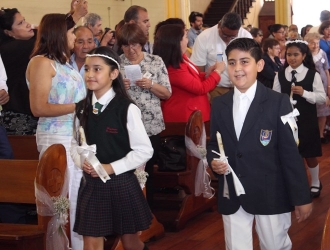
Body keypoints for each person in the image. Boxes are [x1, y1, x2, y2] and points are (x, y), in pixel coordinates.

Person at [207, 38, 312, 250]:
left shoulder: (278, 102)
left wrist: (302, 197)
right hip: (232, 191)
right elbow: (214, 144)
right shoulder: (220, 104)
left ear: (260, 65)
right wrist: (214, 161)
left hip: (270, 191)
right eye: (232, 62)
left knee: (274, 245)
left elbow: (290, 153)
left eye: (245, 62)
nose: (238, 69)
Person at [71, 46, 153, 250]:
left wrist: (110, 168)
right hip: (92, 185)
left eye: (97, 69)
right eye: (87, 69)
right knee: (91, 242)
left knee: (130, 242)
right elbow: (74, 144)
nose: (90, 74)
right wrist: (83, 162)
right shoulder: (81, 107)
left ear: (114, 73)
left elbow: (144, 150)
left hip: (121, 183)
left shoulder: (127, 108)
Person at [25, 13, 87, 249]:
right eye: (72, 33)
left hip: (74, 135)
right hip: (56, 136)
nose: (75, 37)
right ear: (60, 34)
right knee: (65, 200)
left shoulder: (64, 63)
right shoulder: (41, 62)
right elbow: (38, 107)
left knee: (77, 198)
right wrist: (80, 107)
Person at [0, 5, 87, 135]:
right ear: (8, 32)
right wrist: (74, 16)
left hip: (62, 126)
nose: (28, 25)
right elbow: (49, 35)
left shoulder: (54, 59)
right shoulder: (11, 49)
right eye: (20, 23)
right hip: (21, 116)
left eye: (24, 20)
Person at [117, 23, 171, 207]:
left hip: (150, 125)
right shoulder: (116, 64)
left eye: (135, 45)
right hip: (124, 127)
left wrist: (151, 85)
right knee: (126, 171)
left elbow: (167, 93)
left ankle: (148, 213)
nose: (131, 49)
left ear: (142, 43)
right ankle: (129, 211)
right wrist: (118, 89)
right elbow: (104, 96)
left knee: (147, 171)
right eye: (126, 45)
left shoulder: (155, 61)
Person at [273, 40, 326, 198]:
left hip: (306, 119)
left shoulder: (312, 74)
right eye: (289, 54)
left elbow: (322, 98)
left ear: (303, 56)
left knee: (309, 152)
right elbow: (274, 97)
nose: (292, 58)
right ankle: (295, 184)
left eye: (296, 54)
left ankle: (315, 181)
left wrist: (305, 93)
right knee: (290, 154)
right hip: (286, 120)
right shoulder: (281, 75)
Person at [154, 24, 225, 122]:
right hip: (185, 116)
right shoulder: (174, 69)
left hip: (194, 112)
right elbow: (200, 88)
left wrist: (207, 74)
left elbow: (193, 77)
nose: (187, 41)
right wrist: (218, 72)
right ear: (176, 42)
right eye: (185, 37)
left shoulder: (182, 58)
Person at [190, 12, 252, 102]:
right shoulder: (204, 37)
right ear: (219, 25)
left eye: (233, 37)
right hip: (215, 89)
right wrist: (204, 90)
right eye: (225, 35)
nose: (228, 39)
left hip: (241, 88)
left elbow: (251, 63)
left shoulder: (246, 37)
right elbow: (198, 67)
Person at [304, 32, 330, 143]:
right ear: (307, 44)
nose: (315, 46)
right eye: (312, 43)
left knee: (323, 111)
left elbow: (327, 71)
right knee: (311, 111)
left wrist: (329, 87)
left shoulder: (323, 53)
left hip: (323, 86)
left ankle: (320, 135)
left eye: (317, 43)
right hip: (310, 86)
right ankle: (311, 135)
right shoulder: (304, 55)